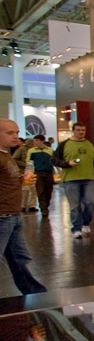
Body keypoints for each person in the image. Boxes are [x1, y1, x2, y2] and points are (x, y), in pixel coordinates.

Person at [0, 120, 46, 295]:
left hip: (12, 216)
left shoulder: (7, 155)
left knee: (20, 258)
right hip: (3, 216)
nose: (15, 136)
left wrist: (19, 180)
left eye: (16, 132)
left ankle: (36, 293)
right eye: (9, 133)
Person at [53, 122, 94, 239]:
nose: (81, 132)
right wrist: (66, 164)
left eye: (83, 130)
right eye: (78, 130)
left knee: (90, 202)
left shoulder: (90, 145)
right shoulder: (64, 145)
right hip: (71, 179)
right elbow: (54, 159)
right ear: (73, 130)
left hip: (88, 179)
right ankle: (76, 228)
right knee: (74, 206)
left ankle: (86, 223)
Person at [26, 135, 54, 218]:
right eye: (34, 140)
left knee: (49, 191)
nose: (35, 142)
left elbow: (54, 161)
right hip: (38, 173)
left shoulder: (50, 150)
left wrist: (58, 172)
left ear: (42, 141)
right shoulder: (31, 151)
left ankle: (46, 205)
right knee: (40, 191)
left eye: (37, 140)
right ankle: (43, 208)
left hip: (49, 173)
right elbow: (29, 162)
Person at [11, 137, 36, 213]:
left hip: (32, 172)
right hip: (23, 172)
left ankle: (32, 205)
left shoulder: (35, 150)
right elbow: (14, 158)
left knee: (33, 190)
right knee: (24, 190)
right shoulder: (21, 149)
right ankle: (23, 205)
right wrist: (24, 165)